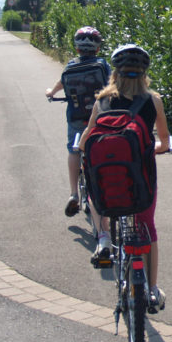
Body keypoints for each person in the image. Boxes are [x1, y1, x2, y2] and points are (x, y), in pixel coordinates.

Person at [79, 44, 170, 311]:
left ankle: (104, 236)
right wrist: (149, 148)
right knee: (147, 226)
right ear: (144, 73)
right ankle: (152, 290)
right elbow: (164, 143)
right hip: (142, 181)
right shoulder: (154, 101)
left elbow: (86, 142)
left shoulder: (102, 101)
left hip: (110, 183)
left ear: (115, 73)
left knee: (96, 191)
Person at [46, 27, 111, 217]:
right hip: (100, 115)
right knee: (105, 146)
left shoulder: (70, 66)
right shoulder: (103, 64)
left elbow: (61, 82)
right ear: (98, 49)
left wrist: (51, 92)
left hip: (76, 117)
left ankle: (74, 193)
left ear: (77, 49)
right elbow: (112, 84)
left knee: (74, 149)